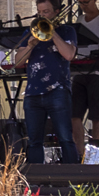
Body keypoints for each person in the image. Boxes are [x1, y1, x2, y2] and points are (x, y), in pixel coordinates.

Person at [60, 0, 99, 156]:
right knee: (74, 115)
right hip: (79, 71)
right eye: (80, 2)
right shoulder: (80, 19)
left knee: (97, 116)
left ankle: (96, 153)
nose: (83, 6)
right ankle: (80, 152)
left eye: (86, 2)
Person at [16, 13, 80, 164]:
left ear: (56, 11)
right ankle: (34, 181)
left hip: (58, 90)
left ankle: (72, 178)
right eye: (40, 12)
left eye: (46, 12)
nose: (42, 15)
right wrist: (30, 45)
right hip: (33, 92)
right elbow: (17, 62)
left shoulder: (66, 31)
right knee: (34, 140)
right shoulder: (29, 32)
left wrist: (53, 33)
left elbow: (69, 54)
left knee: (65, 137)